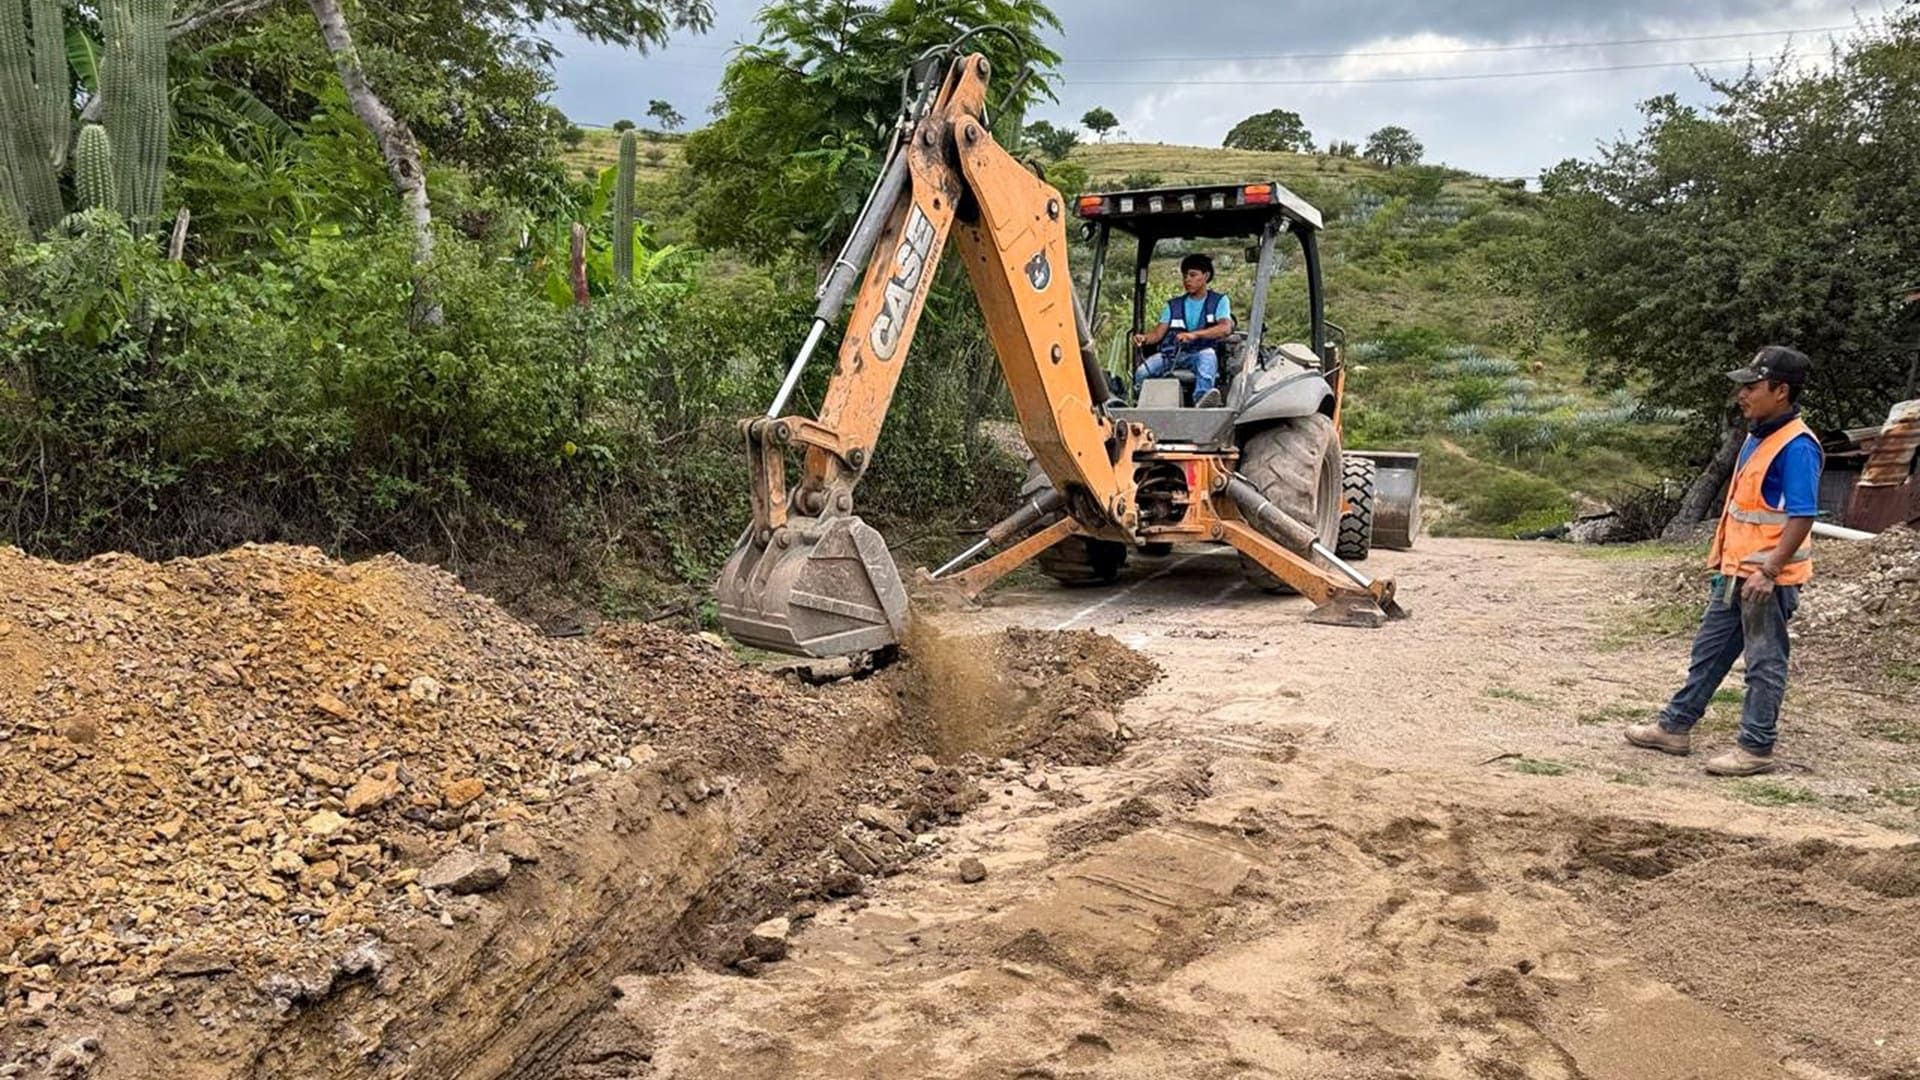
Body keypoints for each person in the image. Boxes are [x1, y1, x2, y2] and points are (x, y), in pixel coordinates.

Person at [1626, 346, 1824, 776]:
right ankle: (1675, 726)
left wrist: (1769, 570)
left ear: (1781, 390)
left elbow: (1803, 515)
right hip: (1737, 573)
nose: (1742, 395)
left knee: (1764, 662)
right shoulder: (1758, 436)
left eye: (1752, 387)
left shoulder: (1797, 446)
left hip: (1766, 579)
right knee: (1710, 651)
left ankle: (1755, 748)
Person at [1131, 253, 1233, 408]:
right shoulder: (1173, 305)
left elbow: (1225, 328)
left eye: (1193, 275)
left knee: (1208, 357)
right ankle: (1140, 402)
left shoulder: (1219, 301)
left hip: (1201, 352)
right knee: (1142, 372)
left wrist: (1194, 335)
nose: (1187, 280)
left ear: (1206, 276)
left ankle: (1202, 400)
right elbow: (1157, 334)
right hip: (1172, 355)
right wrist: (1144, 338)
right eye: (1185, 276)